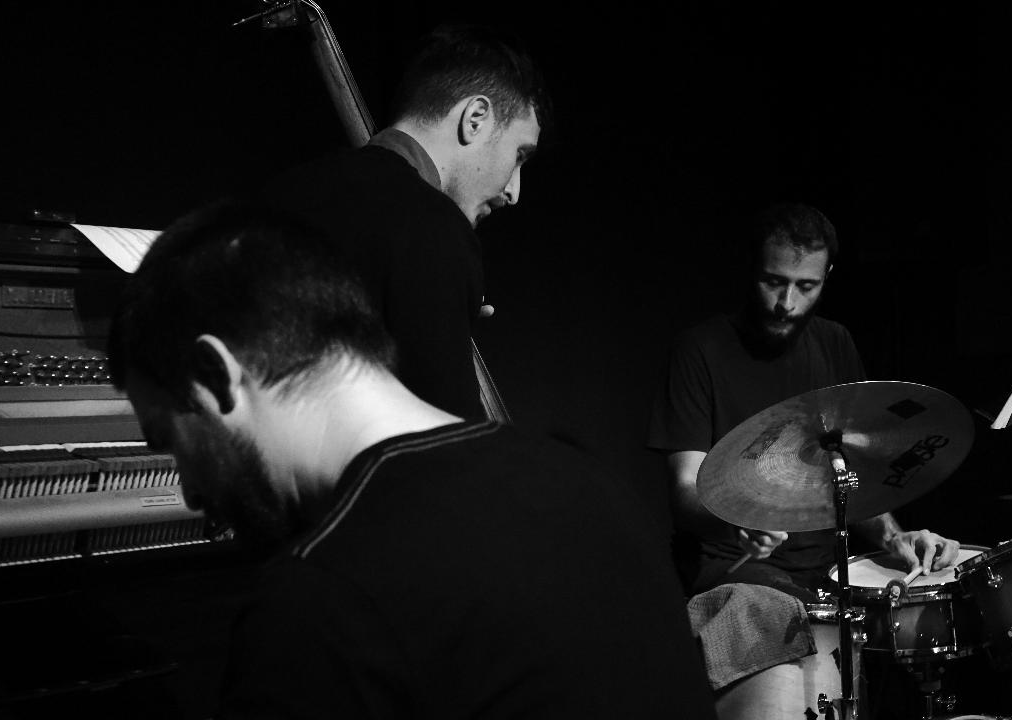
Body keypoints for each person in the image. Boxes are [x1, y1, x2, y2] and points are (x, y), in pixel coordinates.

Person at [109, 202, 716, 719]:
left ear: (215, 375)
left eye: (169, 439)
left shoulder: (323, 600)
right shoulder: (591, 485)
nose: (190, 492)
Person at [646, 202, 961, 717]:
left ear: (827, 276)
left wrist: (894, 537)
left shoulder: (834, 344)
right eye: (773, 282)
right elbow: (684, 490)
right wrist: (736, 516)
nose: (786, 303)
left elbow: (852, 478)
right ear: (752, 268)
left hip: (825, 573)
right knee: (775, 617)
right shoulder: (699, 351)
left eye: (805, 286)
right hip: (733, 573)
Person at [256, 23, 549, 421]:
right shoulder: (435, 228)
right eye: (518, 156)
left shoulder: (277, 194)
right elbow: (446, 441)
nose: (513, 191)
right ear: (475, 118)